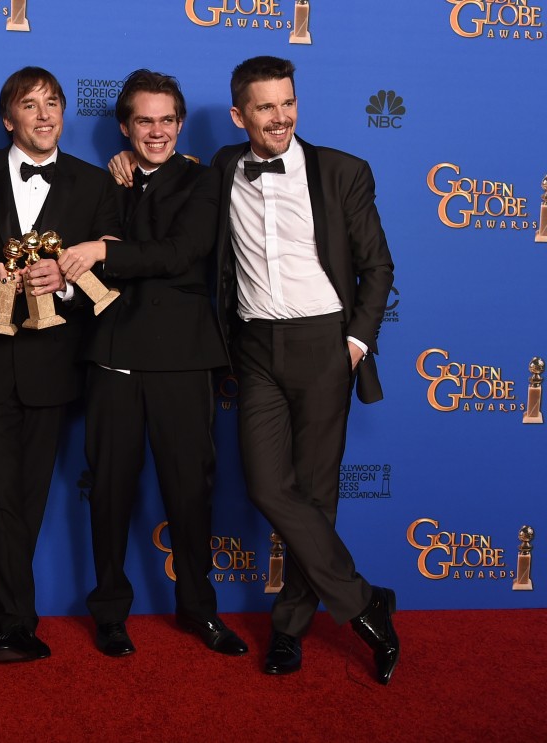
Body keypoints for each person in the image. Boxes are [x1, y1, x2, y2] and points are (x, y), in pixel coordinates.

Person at [212, 56, 399, 683]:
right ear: (240, 116)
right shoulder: (219, 170)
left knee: (316, 493)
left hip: (325, 344)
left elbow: (378, 268)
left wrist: (354, 344)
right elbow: (168, 182)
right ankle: (364, 601)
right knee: (268, 487)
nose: (281, 116)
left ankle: (289, 626)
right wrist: (129, 164)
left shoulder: (343, 171)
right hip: (256, 349)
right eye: (265, 107)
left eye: (287, 102)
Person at [59, 70, 247, 659]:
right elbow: (95, 250)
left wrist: (104, 249)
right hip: (113, 349)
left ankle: (199, 610)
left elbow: (180, 253)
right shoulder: (104, 181)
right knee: (109, 490)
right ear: (125, 125)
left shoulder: (204, 178)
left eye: (167, 119)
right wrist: (108, 228)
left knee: (190, 491)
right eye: (145, 120)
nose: (157, 131)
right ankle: (110, 612)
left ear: (181, 123)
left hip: (183, 357)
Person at [0, 66, 120, 662]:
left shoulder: (95, 183)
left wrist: (67, 284)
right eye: (30, 105)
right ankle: (17, 625)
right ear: (8, 120)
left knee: (27, 497)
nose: (46, 114)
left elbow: (111, 268)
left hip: (53, 362)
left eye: (54, 103)